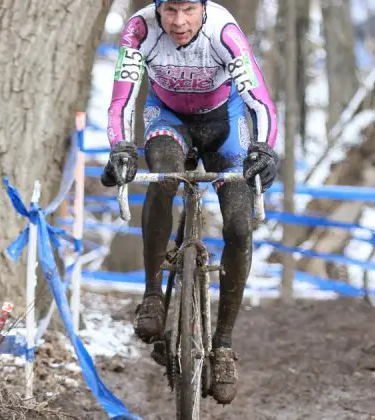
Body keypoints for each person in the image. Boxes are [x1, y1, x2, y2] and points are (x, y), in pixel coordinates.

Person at [101, 0, 279, 405]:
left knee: (237, 226)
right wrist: (121, 148)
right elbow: (122, 101)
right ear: (157, 9)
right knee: (163, 179)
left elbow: (260, 102)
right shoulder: (139, 31)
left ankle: (223, 346)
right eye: (170, 11)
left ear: (202, 8)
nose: (179, 22)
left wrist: (264, 149)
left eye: (187, 10)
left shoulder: (224, 32)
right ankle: (151, 295)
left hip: (225, 125)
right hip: (167, 118)